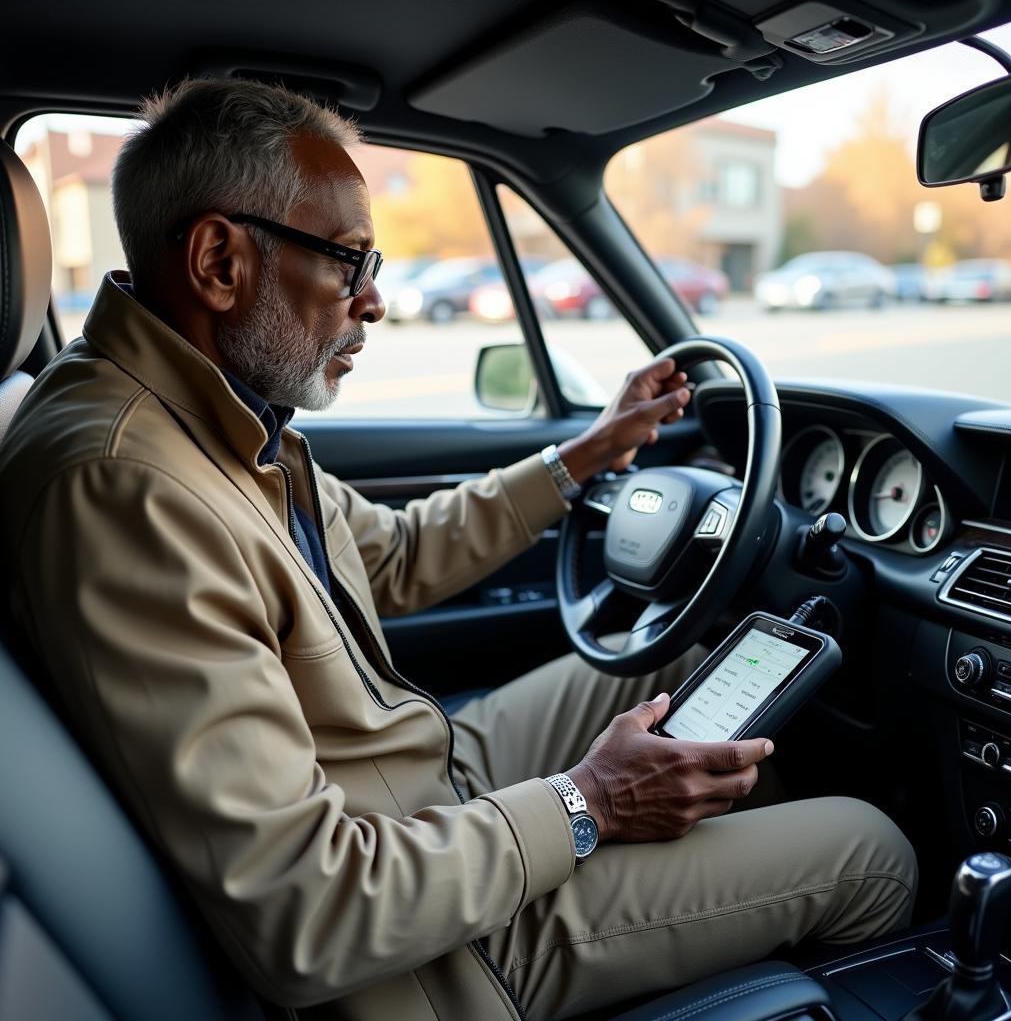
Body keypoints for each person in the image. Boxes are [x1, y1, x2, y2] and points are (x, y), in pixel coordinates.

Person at [0, 79, 917, 1021]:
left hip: (423, 790)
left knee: (694, 672)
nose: (377, 303)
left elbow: (393, 556)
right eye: (350, 263)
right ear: (219, 261)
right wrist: (587, 807)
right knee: (872, 852)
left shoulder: (207, 416)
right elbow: (304, 909)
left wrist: (587, 455)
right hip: (433, 943)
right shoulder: (127, 487)